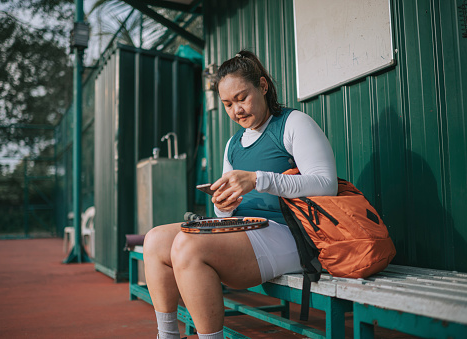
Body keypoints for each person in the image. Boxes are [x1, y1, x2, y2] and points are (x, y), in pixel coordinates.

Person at [143, 50, 337, 339]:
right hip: (246, 230)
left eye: (242, 97)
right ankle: (167, 336)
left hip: (291, 233)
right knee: (155, 240)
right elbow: (228, 212)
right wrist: (223, 206)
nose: (237, 110)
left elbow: (326, 185)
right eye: (227, 104)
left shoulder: (293, 123)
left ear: (262, 85)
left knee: (189, 246)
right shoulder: (234, 143)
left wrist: (259, 179)